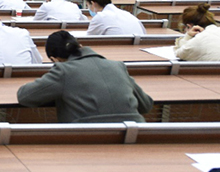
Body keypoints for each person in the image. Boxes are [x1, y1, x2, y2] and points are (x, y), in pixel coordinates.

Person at [17, 31, 153, 122]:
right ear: (80, 46)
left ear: (55, 59)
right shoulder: (118, 65)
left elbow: (25, 96)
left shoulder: (63, 71)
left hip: (89, 138)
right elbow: (146, 105)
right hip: (134, 134)